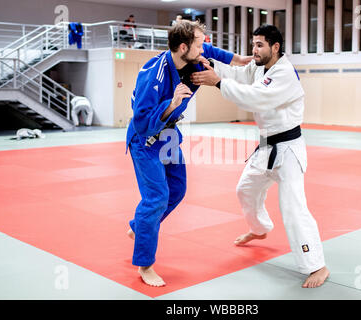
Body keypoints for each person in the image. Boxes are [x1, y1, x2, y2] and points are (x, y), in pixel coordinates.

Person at [190, 24, 330, 288]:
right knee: (245, 189)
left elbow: (256, 98)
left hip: (288, 149)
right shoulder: (257, 67)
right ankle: (260, 228)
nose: (254, 50)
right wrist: (209, 64)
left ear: (275, 47)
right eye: (253, 44)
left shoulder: (284, 72)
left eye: (260, 45)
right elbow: (237, 74)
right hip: (266, 146)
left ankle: (317, 266)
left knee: (293, 208)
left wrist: (218, 83)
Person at [126, 20, 252, 287]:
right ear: (183, 47)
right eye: (199, 43)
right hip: (146, 138)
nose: (203, 47)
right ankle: (145, 264)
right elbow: (141, 121)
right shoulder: (154, 74)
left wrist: (238, 59)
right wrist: (171, 103)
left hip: (169, 136)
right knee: (157, 198)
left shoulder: (192, 60)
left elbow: (213, 52)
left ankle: (140, 227)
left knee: (178, 189)